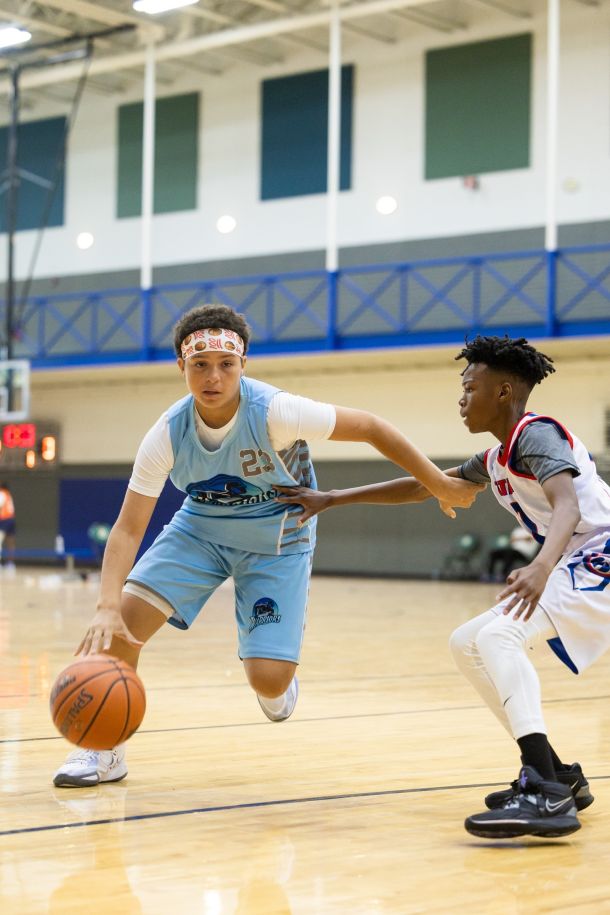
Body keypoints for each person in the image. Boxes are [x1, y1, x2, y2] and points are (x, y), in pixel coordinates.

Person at [53, 304, 480, 788]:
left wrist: (438, 483)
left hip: (279, 535)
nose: (213, 377)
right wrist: (106, 605)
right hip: (201, 529)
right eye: (200, 365)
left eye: (225, 364)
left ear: (243, 364)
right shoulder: (166, 433)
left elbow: (370, 427)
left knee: (268, 681)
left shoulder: (276, 411)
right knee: (118, 630)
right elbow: (128, 528)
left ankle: (275, 670)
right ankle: (103, 750)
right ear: (181, 366)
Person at [277, 335, 610, 839]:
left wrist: (541, 566)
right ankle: (557, 774)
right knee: (467, 643)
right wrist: (332, 498)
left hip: (597, 553)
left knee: (499, 637)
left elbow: (568, 505)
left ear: (503, 392)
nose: (461, 398)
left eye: (470, 388)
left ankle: (544, 791)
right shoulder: (497, 457)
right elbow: (425, 484)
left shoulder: (536, 434)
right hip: (577, 556)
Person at [0, 481, 16, 571]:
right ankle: (11, 563)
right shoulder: (9, 495)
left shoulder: (2, 493)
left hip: (4, 520)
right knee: (10, 542)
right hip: (11, 520)